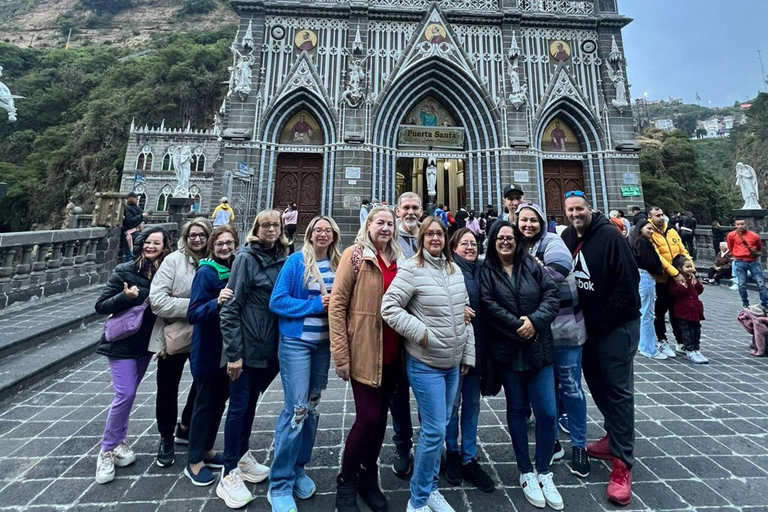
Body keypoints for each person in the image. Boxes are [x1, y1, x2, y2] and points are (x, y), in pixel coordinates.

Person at [381, 216, 475, 512]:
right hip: (425, 363)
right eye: (429, 234)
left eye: (440, 234)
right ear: (420, 239)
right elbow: (389, 307)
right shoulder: (411, 269)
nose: (435, 238)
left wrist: (467, 353)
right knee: (435, 430)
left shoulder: (454, 269)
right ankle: (418, 499)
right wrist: (420, 333)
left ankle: (431, 486)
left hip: (452, 363)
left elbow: (464, 313)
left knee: (438, 428)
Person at [561, 191, 640, 506]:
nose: (575, 213)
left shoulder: (610, 237)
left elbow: (628, 285)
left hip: (616, 328)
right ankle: (612, 437)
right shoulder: (567, 236)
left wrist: (603, 319)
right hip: (588, 330)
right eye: (570, 209)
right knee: (596, 384)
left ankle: (623, 464)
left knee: (618, 391)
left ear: (589, 208)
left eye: (580, 208)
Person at [479, 221, 562, 510]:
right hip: (509, 352)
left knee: (548, 412)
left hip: (539, 349)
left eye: (510, 237)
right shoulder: (486, 271)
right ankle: (526, 470)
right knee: (516, 410)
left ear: (517, 241)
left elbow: (552, 296)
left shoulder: (533, 266)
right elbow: (488, 306)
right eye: (500, 238)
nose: (505, 242)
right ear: (492, 241)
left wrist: (534, 322)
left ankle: (544, 470)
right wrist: (519, 326)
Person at [330, 206, 404, 512]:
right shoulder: (355, 255)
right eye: (380, 223)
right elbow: (336, 304)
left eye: (390, 223)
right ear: (368, 225)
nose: (385, 228)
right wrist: (341, 355)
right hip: (364, 350)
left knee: (379, 421)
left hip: (393, 354)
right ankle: (346, 481)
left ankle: (367, 476)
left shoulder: (400, 260)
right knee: (367, 419)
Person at [267, 216, 342, 512]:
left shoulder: (339, 264)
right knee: (296, 409)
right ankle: (280, 484)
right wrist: (313, 305)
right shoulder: (295, 262)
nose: (322, 234)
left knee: (310, 407)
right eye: (317, 229)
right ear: (309, 234)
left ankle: (298, 467)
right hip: (296, 344)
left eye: (328, 230)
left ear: (334, 236)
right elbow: (277, 301)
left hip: (323, 346)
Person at [217, 210, 288, 509]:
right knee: (238, 407)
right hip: (245, 349)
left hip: (269, 349)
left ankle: (243, 455)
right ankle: (228, 471)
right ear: (256, 228)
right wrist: (234, 354)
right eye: (266, 225)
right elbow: (230, 308)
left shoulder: (285, 257)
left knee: (248, 406)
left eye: (276, 225)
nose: (271, 229)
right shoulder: (246, 258)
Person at [515, 203, 590, 478]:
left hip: (565, 332)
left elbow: (559, 269)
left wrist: (524, 271)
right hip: (538, 336)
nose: (528, 225)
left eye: (533, 220)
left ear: (542, 221)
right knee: (545, 393)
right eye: (523, 220)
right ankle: (554, 440)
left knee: (570, 388)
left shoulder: (553, 241)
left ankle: (580, 445)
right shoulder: (518, 246)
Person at [94, 226, 172, 484]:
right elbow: (101, 305)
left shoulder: (166, 272)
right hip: (122, 344)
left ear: (165, 247)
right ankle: (106, 449)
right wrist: (126, 298)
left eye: (157, 243)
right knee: (124, 393)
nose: (151, 247)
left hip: (145, 346)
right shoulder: (125, 270)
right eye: (147, 242)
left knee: (128, 395)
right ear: (140, 244)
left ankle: (118, 441)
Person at [149, 218, 213, 467]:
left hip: (205, 333)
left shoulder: (217, 261)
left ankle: (186, 425)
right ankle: (166, 436)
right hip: (175, 333)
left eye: (202, 235)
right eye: (192, 235)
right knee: (167, 386)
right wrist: (198, 307)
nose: (197, 239)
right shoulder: (173, 260)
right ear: (185, 237)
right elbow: (157, 301)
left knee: (204, 383)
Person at [185, 225, 239, 486]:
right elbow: (193, 313)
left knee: (219, 401)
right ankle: (193, 461)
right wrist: (216, 302)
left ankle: (206, 449)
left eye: (229, 243)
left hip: (227, 350)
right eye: (220, 244)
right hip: (208, 349)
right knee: (204, 403)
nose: (225, 247)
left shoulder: (235, 268)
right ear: (211, 246)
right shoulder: (206, 272)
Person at [444, 228, 494, 493]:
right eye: (464, 244)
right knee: (453, 404)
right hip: (458, 350)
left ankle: (469, 456)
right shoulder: (449, 271)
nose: (470, 248)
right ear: (454, 247)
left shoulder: (484, 269)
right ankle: (452, 452)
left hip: (481, 350)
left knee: (472, 403)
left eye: (473, 243)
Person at [391, 192, 423, 477]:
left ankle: (429, 446)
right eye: (406, 208)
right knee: (398, 391)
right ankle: (402, 445)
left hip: (427, 326)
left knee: (429, 390)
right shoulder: (387, 239)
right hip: (396, 329)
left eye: (415, 208)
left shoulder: (433, 237)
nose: (410, 212)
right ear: (397, 211)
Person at [648, 207, 692, 358]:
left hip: (677, 277)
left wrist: (690, 267)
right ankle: (662, 340)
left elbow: (682, 250)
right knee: (659, 312)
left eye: (662, 215)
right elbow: (657, 257)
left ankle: (680, 341)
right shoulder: (649, 232)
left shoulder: (672, 231)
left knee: (677, 310)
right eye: (657, 215)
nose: (661, 218)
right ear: (650, 217)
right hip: (661, 278)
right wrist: (674, 273)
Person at [629, 220, 666, 360]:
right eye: (649, 228)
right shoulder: (643, 243)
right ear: (640, 229)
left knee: (642, 311)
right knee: (647, 313)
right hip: (646, 277)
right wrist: (659, 270)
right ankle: (648, 348)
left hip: (638, 276)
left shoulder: (633, 242)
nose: (651, 231)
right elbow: (651, 263)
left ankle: (641, 343)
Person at [669, 255, 709, 364]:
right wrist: (682, 286)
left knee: (697, 330)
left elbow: (699, 291)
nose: (690, 269)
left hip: (695, 310)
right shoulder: (676, 280)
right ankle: (689, 350)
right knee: (688, 331)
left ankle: (696, 349)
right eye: (687, 267)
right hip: (684, 311)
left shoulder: (692, 278)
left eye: (691, 266)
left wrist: (696, 283)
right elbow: (674, 293)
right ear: (679, 268)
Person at [727, 219, 768, 313]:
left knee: (761, 284)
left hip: (753, 261)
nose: (740, 226)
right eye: (738, 224)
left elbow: (759, 247)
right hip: (740, 261)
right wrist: (737, 255)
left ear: (746, 224)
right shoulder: (731, 235)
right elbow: (730, 247)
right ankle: (745, 303)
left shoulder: (754, 236)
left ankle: (765, 303)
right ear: (735, 225)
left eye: (742, 224)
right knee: (742, 284)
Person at [122, 192, 148, 262]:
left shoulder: (138, 207)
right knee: (129, 253)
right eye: (135, 198)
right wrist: (141, 216)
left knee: (138, 253)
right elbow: (128, 221)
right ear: (130, 199)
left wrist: (143, 221)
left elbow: (145, 217)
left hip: (138, 232)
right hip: (130, 233)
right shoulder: (127, 208)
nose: (137, 199)